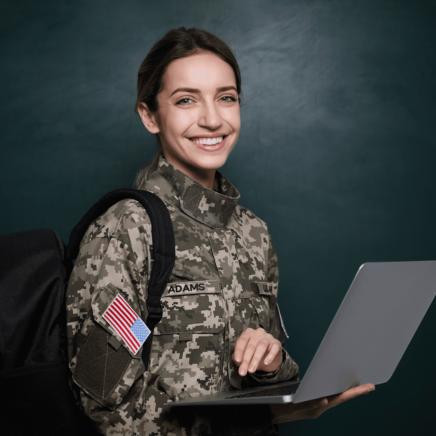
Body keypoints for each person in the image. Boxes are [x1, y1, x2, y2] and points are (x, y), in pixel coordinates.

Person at [66, 26, 374, 436]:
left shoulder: (253, 233)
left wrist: (272, 365)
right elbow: (106, 404)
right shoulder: (130, 229)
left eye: (226, 98)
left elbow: (269, 382)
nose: (212, 119)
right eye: (186, 100)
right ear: (149, 116)